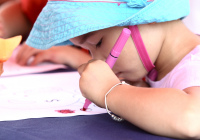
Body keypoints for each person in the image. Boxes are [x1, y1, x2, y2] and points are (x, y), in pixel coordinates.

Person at [25, 0, 200, 139]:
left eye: (98, 43)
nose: (97, 60)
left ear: (151, 16)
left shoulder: (195, 63)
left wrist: (109, 91)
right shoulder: (158, 68)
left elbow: (192, 118)